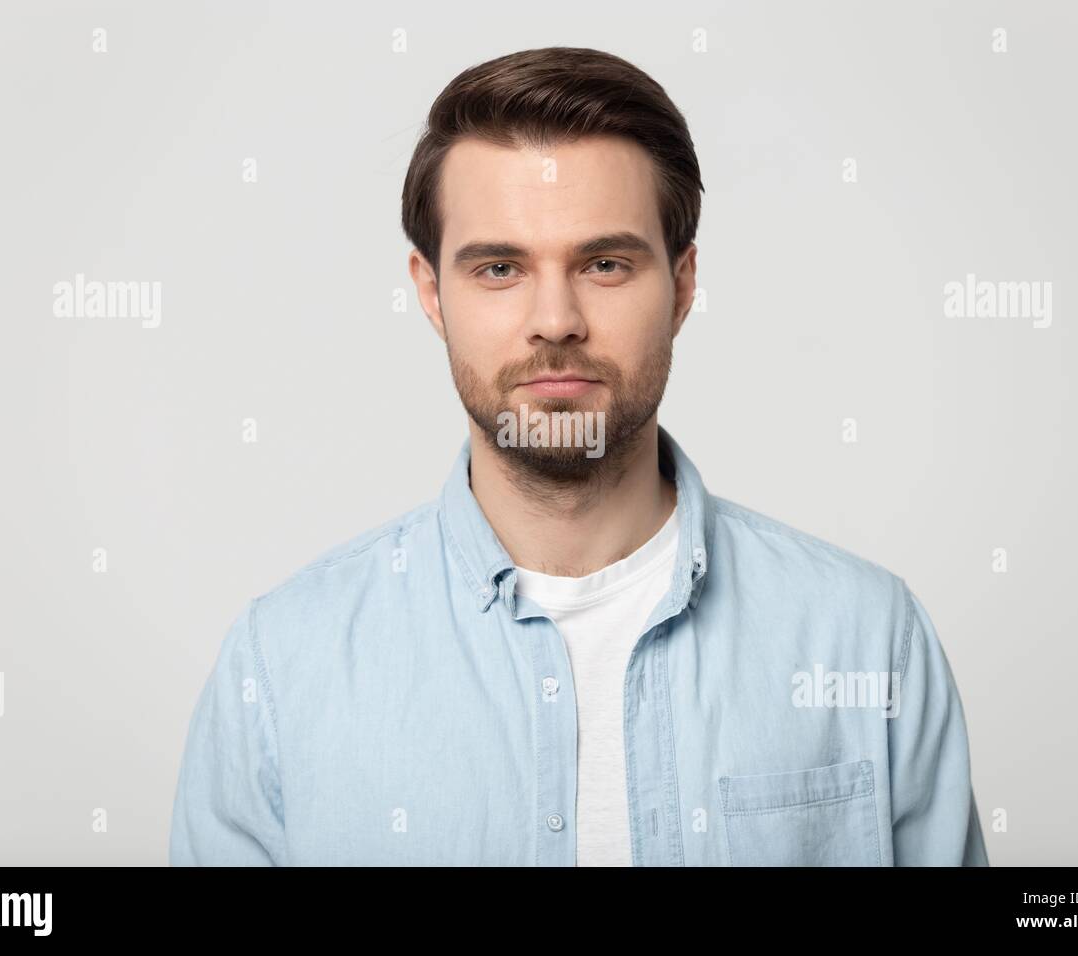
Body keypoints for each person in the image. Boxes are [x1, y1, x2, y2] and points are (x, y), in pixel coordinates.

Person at [170, 46, 988, 866]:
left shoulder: (867, 640)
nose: (555, 319)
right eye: (499, 268)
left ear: (683, 284)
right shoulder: (280, 668)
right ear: (429, 293)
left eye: (605, 263)